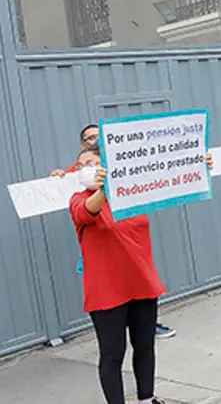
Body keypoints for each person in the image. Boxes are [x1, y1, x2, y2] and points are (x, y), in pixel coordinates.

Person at [70, 147, 212, 404]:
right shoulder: (79, 198)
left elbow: (170, 183)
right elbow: (86, 211)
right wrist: (102, 190)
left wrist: (198, 166)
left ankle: (147, 398)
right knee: (113, 353)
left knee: (145, 346)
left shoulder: (132, 194)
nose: (87, 168)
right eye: (82, 165)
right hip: (107, 290)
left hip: (141, 282)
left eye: (93, 162)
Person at [52, 125, 177, 340]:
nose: (94, 141)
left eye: (98, 137)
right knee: (107, 287)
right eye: (89, 138)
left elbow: (161, 169)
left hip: (128, 246)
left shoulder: (122, 167)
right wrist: (58, 177)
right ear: (82, 144)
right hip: (100, 241)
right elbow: (80, 202)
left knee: (136, 288)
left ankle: (146, 324)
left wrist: (197, 165)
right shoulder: (81, 172)